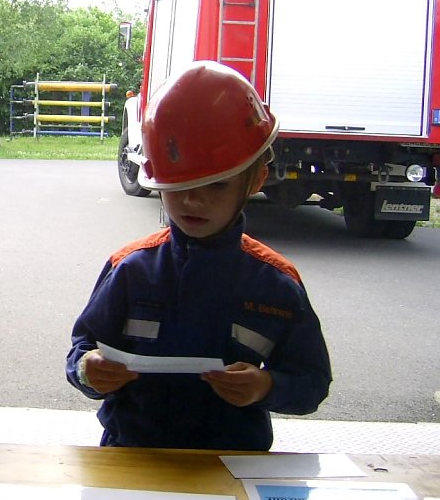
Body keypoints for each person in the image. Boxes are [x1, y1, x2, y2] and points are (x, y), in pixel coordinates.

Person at [67, 60, 331, 451]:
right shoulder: (131, 269)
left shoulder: (275, 283)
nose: (193, 200)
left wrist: (266, 386)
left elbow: (312, 382)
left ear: (255, 179)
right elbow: (82, 350)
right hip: (133, 459)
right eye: (178, 185)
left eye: (216, 185)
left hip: (233, 463)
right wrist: (88, 371)